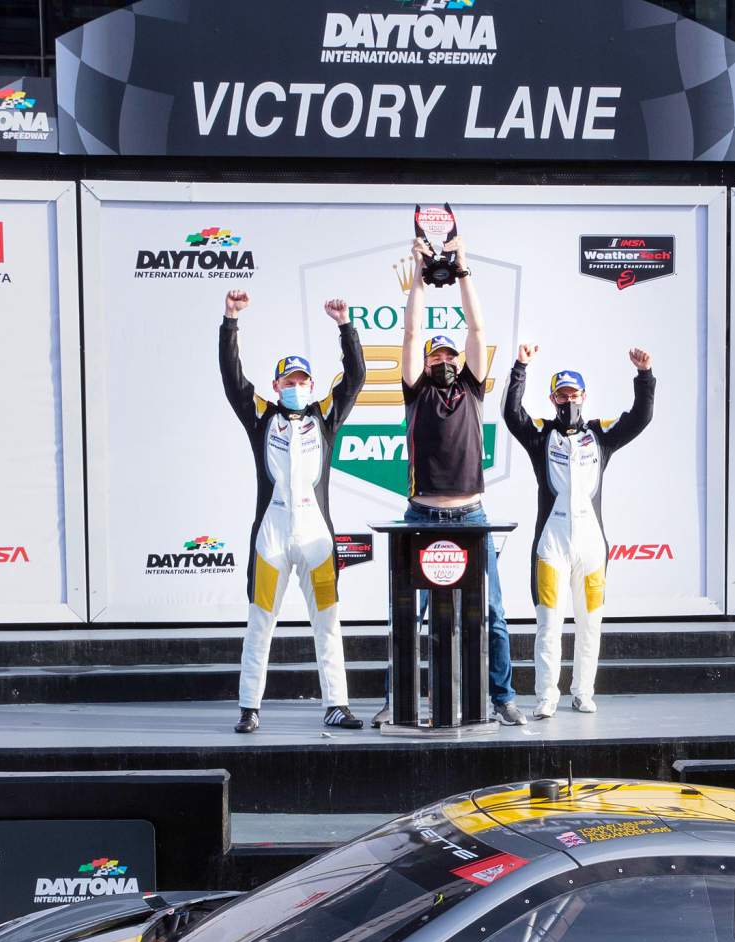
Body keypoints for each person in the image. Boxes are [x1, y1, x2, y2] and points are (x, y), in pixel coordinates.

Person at [388, 231, 520, 724]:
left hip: (472, 514)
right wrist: (421, 277)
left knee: (493, 615)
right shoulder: (414, 392)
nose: (442, 360)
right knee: (407, 617)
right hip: (421, 515)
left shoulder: (472, 389)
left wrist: (462, 266)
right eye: (435, 356)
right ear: (424, 363)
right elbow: (409, 331)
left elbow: (478, 330)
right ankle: (394, 701)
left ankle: (503, 698)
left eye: (449, 355)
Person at [221, 289, 365, 733]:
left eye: (303, 380)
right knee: (260, 623)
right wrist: (230, 322)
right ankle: (249, 707)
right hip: (272, 535)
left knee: (329, 622)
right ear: (277, 385)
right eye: (289, 381)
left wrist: (345, 327)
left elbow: (356, 376)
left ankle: (336, 705)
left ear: (311, 384)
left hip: (318, 537)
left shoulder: (325, 416)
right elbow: (232, 379)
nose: (297, 387)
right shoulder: (262, 416)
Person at [503, 345, 655, 717]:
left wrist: (644, 376)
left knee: (591, 626)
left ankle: (583, 692)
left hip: (591, 547)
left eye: (574, 395)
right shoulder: (541, 435)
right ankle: (546, 697)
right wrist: (520, 367)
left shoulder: (599, 435)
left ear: (584, 397)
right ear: (552, 398)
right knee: (548, 625)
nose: (568, 400)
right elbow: (511, 414)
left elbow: (640, 418)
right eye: (562, 395)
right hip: (550, 545)